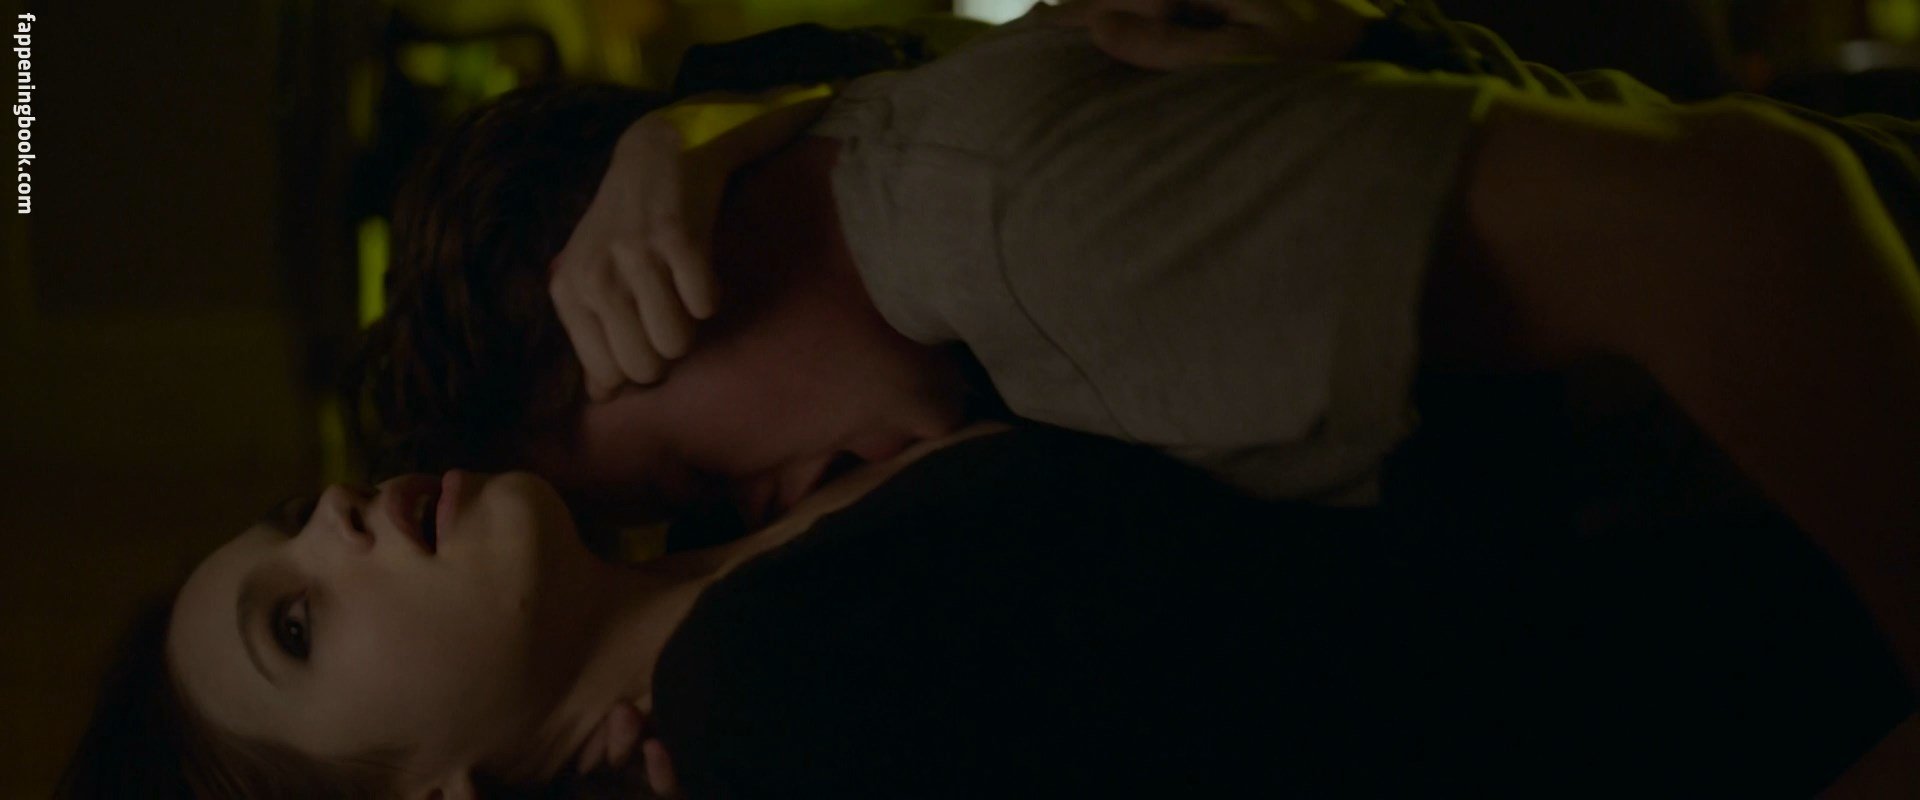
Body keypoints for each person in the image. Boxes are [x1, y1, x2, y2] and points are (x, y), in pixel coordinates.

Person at [55, 424, 1914, 798]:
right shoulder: (771, 708)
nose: (335, 518)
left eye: (281, 524)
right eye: (295, 623)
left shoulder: (736, 528)